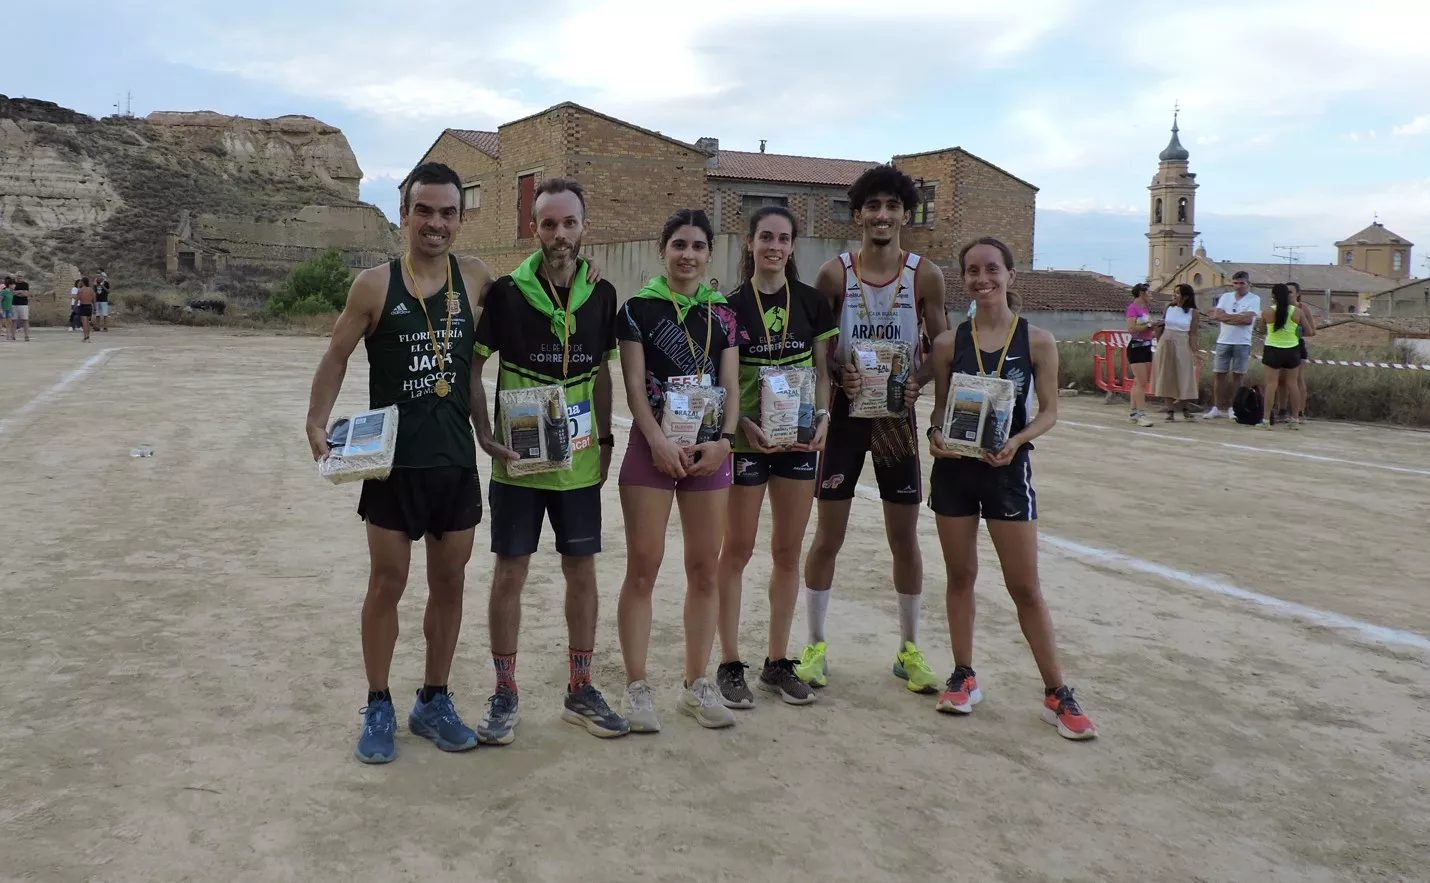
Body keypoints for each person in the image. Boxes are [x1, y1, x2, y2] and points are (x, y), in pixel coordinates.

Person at [304, 162, 490, 764]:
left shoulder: (478, 280)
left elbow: (482, 362)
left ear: (460, 220)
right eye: (424, 211)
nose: (435, 223)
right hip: (391, 465)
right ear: (404, 213)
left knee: (450, 583)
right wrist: (315, 421)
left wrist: (490, 429)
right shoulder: (374, 285)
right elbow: (336, 356)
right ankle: (379, 702)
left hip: (455, 462)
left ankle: (434, 699)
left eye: (447, 213)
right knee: (387, 583)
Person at [469, 178, 628, 743]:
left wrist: (607, 439)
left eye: (569, 223)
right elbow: (474, 368)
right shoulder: (508, 293)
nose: (559, 235)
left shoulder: (602, 295)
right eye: (548, 224)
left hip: (579, 464)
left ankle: (579, 689)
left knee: (580, 571)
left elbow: (605, 373)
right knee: (510, 570)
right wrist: (484, 434)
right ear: (534, 229)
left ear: (585, 228)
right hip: (518, 462)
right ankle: (505, 692)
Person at [924, 237, 1097, 740]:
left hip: (1007, 471)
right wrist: (935, 435)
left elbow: (1049, 412)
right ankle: (963, 675)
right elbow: (939, 407)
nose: (983, 279)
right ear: (964, 278)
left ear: (1010, 275)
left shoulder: (1037, 340)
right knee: (960, 576)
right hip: (955, 471)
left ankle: (1056, 692)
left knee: (1024, 587)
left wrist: (1017, 440)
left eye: (992, 269)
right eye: (973, 271)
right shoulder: (947, 343)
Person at [798, 164, 949, 694]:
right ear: (858, 214)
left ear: (906, 214)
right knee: (828, 537)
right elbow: (820, 349)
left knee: (904, 539)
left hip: (895, 420)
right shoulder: (834, 274)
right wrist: (839, 373)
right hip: (845, 415)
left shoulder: (924, 275)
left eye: (892, 206)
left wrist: (919, 385)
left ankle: (909, 650)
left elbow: (944, 348)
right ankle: (814, 644)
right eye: (872, 207)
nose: (882, 216)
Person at [615, 208, 742, 731]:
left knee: (703, 569)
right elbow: (633, 385)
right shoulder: (637, 309)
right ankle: (637, 687)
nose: (687, 255)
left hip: (708, 453)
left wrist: (726, 444)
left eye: (696, 246)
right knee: (643, 568)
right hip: (653, 450)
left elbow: (732, 387)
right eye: (678, 245)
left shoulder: (725, 316)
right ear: (661, 251)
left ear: (709, 254)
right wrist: (656, 441)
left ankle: (696, 683)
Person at [713, 206, 836, 709]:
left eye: (784, 238)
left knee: (787, 551)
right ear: (749, 243)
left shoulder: (810, 303)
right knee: (737, 550)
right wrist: (741, 421)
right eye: (766, 237)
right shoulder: (729, 305)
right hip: (748, 441)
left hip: (799, 442)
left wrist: (825, 417)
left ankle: (778, 662)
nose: (775, 246)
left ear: (793, 245)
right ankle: (729, 662)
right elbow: (725, 379)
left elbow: (823, 372)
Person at [1201, 271, 1260, 420]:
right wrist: (1235, 317)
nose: (1238, 286)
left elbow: (1247, 320)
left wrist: (1226, 317)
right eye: (1235, 283)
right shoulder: (1226, 297)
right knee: (1219, 374)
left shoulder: (1254, 299)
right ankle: (1216, 407)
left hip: (1242, 342)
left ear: (1248, 284)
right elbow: (1218, 315)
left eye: (1241, 283)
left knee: (1238, 376)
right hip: (1224, 341)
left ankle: (1234, 407)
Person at [1257, 282, 1315, 430]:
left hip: (1272, 349)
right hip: (1292, 349)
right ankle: (1295, 419)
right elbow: (1309, 331)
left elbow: (1261, 330)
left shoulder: (1267, 311)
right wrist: (1296, 332)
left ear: (1273, 297)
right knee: (1293, 384)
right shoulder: (1297, 312)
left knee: (1271, 385)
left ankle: (1266, 420)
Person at [1153, 283, 1201, 421]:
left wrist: (1195, 351)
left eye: (1178, 293)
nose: (1174, 295)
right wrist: (1158, 340)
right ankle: (1169, 410)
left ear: (1186, 296)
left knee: (1184, 375)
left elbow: (1193, 334)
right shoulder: (1168, 307)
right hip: (1166, 341)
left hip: (1182, 343)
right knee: (1167, 374)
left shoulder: (1193, 312)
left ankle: (1185, 408)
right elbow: (1162, 325)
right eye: (1174, 292)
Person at [1124, 282, 1159, 427]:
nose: (1151, 295)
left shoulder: (1145, 309)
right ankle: (1141, 414)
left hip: (1147, 346)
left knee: (1139, 381)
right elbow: (1132, 328)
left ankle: (1133, 413)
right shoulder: (1132, 308)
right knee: (1141, 381)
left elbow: (1146, 327)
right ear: (1141, 294)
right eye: (1149, 293)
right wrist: (1149, 326)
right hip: (1136, 347)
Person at [75, 277, 97, 342]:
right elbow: (94, 299)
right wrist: (95, 307)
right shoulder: (91, 290)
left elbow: (77, 299)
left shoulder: (81, 290)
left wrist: (74, 308)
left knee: (84, 323)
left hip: (83, 306)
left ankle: (85, 337)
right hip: (89, 306)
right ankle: (88, 336)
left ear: (83, 282)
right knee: (88, 322)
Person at [13, 273, 31, 342]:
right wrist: (20, 292)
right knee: (13, 320)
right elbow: (11, 292)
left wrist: (17, 293)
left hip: (23, 304)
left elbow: (26, 294)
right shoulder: (13, 283)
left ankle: (26, 336)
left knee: (25, 320)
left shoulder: (25, 284)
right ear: (16, 277)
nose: (20, 277)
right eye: (18, 276)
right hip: (14, 304)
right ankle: (13, 335)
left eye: (21, 276)